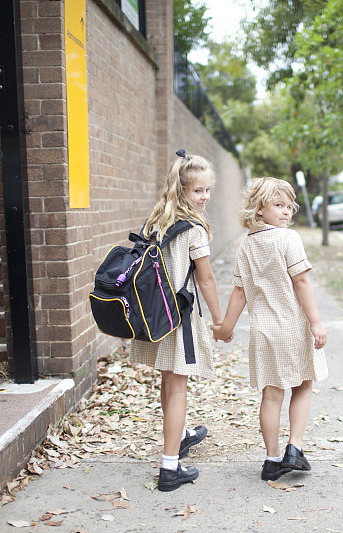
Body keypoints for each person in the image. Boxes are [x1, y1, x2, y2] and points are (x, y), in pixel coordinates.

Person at [213, 177, 327, 482]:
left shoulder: (246, 244)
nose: (287, 212)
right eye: (279, 205)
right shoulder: (288, 239)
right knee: (302, 385)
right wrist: (316, 321)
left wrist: (226, 327)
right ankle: (295, 449)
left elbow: (239, 291)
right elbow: (301, 281)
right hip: (292, 326)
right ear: (259, 209)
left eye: (289, 206)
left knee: (271, 394)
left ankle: (272, 459)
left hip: (262, 332)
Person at [130, 149, 224, 491]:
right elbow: (206, 279)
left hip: (155, 315)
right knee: (178, 386)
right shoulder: (193, 231)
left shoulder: (153, 222)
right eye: (198, 190)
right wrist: (220, 321)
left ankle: (180, 435)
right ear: (181, 189)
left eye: (208, 190)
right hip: (180, 317)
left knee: (168, 382)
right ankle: (170, 467)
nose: (205, 197)